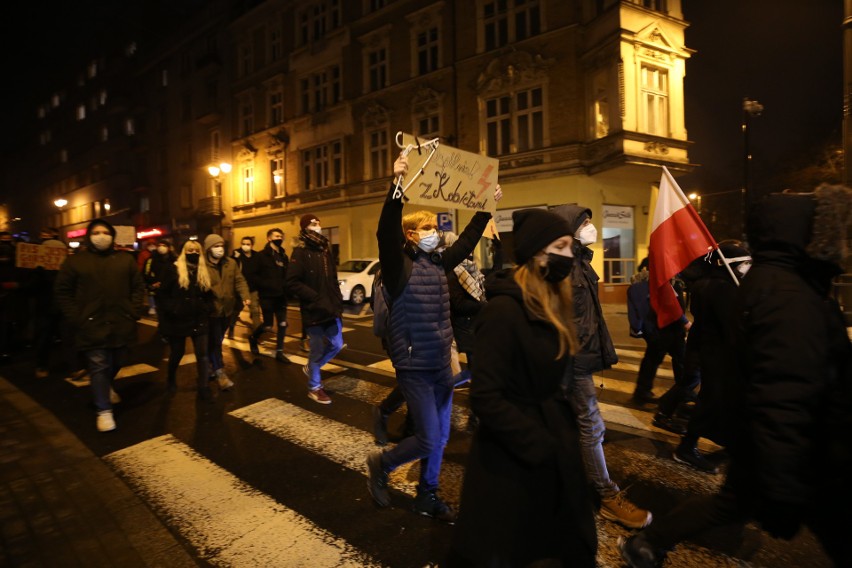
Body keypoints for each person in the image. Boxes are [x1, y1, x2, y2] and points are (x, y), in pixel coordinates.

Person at [619, 185, 852, 568]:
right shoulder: (784, 293)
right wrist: (782, 481)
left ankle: (650, 542)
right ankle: (649, 540)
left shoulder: (777, 284)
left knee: (732, 502)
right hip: (801, 448)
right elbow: (785, 389)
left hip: (776, 440)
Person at [447, 208, 597, 567]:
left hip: (550, 444)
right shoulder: (503, 312)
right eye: (560, 245)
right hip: (514, 459)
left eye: (569, 245)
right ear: (537, 252)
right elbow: (486, 396)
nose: (568, 253)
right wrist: (539, 444)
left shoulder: (548, 303)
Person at [365, 152, 500, 522]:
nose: (434, 233)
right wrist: (396, 186)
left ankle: (428, 494)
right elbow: (384, 232)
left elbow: (468, 241)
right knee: (426, 438)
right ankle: (382, 463)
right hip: (414, 367)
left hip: (440, 362)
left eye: (433, 228)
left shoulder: (439, 263)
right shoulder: (398, 267)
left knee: (439, 438)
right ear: (410, 235)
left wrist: (486, 208)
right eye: (426, 228)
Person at [555, 204, 652, 529]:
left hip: (581, 360)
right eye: (584, 223)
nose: (591, 228)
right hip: (572, 363)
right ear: (569, 230)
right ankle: (606, 496)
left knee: (574, 425)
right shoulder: (563, 268)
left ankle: (566, 483)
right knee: (591, 426)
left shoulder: (581, 263)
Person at [54, 219, 146, 432]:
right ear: (89, 236)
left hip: (121, 322)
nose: (101, 236)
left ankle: (106, 386)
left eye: (105, 232)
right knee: (98, 365)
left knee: (119, 359)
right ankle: (103, 411)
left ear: (112, 236)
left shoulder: (125, 260)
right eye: (96, 232)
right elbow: (63, 291)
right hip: (92, 324)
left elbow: (137, 286)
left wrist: (132, 310)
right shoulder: (76, 262)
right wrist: (77, 317)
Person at [286, 213, 344, 404]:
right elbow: (292, 282)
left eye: (318, 222)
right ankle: (314, 387)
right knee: (317, 349)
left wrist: (337, 298)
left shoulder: (325, 250)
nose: (317, 225)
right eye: (313, 223)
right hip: (314, 309)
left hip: (331, 307)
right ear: (304, 228)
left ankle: (313, 367)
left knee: (336, 343)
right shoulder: (300, 252)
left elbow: (333, 278)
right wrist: (315, 297)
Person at [627, 261, 693, 408]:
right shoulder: (662, 283)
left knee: (652, 360)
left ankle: (642, 392)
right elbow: (671, 304)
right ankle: (682, 394)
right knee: (682, 361)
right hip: (667, 328)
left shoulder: (643, 284)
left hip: (658, 329)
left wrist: (638, 328)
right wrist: (685, 323)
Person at [157, 240, 215, 399]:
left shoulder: (203, 270)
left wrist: (208, 308)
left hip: (199, 319)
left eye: (197, 251)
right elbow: (162, 295)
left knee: (202, 355)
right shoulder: (173, 269)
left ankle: (203, 387)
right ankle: (170, 378)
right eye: (190, 251)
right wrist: (173, 310)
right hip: (178, 320)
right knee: (177, 353)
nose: (194, 253)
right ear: (184, 252)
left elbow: (209, 294)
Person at [203, 234, 250, 390]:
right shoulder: (202, 266)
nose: (220, 249)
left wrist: (245, 296)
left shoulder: (230, 263)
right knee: (216, 341)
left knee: (216, 339)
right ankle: (219, 370)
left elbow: (239, 280)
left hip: (227, 311)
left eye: (221, 246)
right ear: (209, 249)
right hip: (211, 311)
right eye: (216, 246)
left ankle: (210, 365)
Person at [249, 228, 291, 363]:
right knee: (268, 325)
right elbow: (254, 276)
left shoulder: (284, 257)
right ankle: (253, 338)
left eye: (281, 236)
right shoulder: (261, 256)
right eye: (276, 236)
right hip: (267, 296)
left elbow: (288, 275)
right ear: (269, 238)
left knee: (283, 323)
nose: (280, 238)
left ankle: (279, 352)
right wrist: (266, 285)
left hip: (281, 296)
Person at [229, 235, 261, 339]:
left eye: (248, 244)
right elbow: (230, 265)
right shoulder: (237, 254)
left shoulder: (256, 256)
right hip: (240, 290)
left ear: (252, 246)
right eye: (243, 244)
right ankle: (231, 328)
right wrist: (235, 257)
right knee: (236, 310)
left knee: (255, 311)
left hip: (253, 289)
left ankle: (256, 334)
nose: (245, 246)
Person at [143, 238, 177, 316]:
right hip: (157, 289)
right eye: (159, 245)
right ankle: (153, 306)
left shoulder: (174, 259)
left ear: (168, 248)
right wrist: (152, 283)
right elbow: (146, 273)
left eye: (164, 245)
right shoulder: (151, 260)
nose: (161, 247)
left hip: (170, 289)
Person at [137, 238, 157, 315]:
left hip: (157, 275)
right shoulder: (143, 254)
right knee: (151, 291)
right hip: (148, 276)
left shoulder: (157, 253)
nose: (152, 246)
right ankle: (152, 306)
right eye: (150, 244)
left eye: (153, 244)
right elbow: (140, 265)